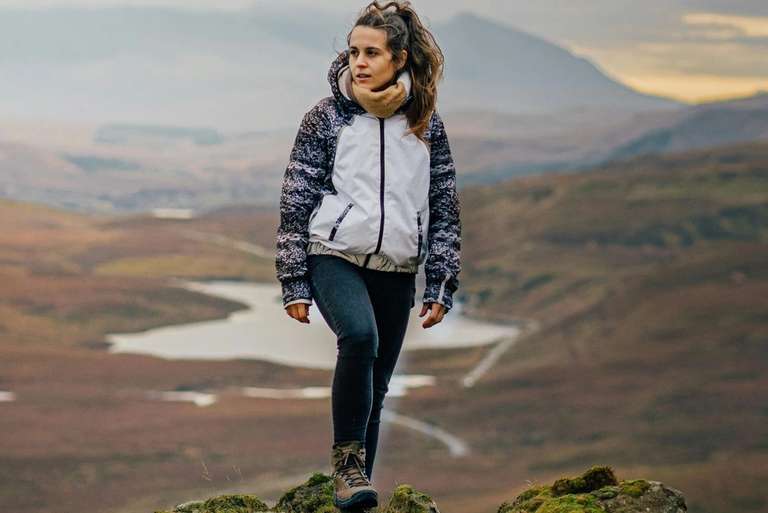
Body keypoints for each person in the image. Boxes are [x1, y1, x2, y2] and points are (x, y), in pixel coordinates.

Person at [274, 1, 461, 509]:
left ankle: (356, 492)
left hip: (397, 269)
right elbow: (296, 200)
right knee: (359, 337)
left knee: (377, 388)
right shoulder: (327, 117)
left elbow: (443, 204)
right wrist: (293, 279)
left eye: (371, 52)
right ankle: (347, 465)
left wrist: (441, 281)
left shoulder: (425, 123)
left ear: (399, 58)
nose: (359, 61)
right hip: (332, 255)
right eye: (354, 51)